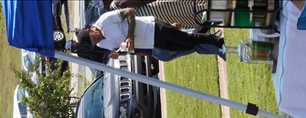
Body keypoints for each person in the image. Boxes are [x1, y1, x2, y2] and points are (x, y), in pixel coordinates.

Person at [77, 7, 223, 62]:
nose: (96, 42)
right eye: (93, 44)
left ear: (90, 30)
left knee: (189, 40)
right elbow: (126, 48)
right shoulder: (101, 44)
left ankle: (217, 42)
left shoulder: (105, 20)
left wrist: (130, 35)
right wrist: (118, 53)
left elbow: (130, 12)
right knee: (188, 45)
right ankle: (211, 23)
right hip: (153, 44)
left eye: (93, 39)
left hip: (152, 28)